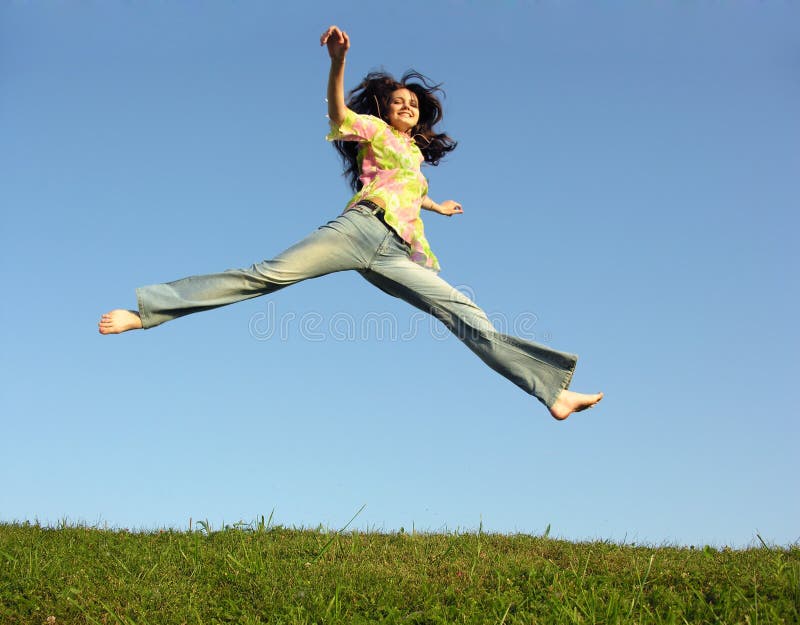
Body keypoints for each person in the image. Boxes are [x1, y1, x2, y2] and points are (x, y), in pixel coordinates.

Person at [99, 25, 603, 420]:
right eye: (398, 101)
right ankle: (148, 313)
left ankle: (550, 393)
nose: (406, 106)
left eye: (413, 104)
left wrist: (438, 207)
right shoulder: (374, 130)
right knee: (266, 275)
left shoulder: (413, 158)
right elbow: (338, 112)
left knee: (465, 313)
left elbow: (410, 193)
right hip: (357, 230)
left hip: (397, 252)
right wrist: (339, 63)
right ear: (385, 108)